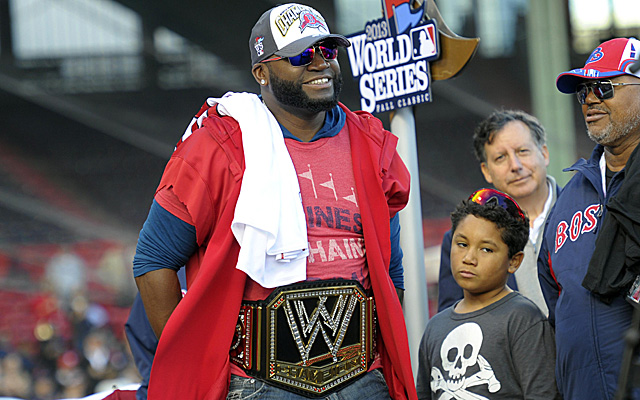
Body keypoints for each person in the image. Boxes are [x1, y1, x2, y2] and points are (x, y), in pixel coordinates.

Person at [131, 3, 416, 400]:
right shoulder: (218, 146)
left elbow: (391, 270)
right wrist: (189, 358)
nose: (320, 64)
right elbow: (152, 261)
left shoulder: (369, 143)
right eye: (301, 55)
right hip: (259, 385)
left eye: (327, 51)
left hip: (363, 380)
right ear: (261, 72)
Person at [538, 36, 640, 399]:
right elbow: (557, 301)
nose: (591, 100)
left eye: (604, 87)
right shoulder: (570, 198)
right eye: (584, 92)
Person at [417, 188, 560, 399]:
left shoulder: (524, 319)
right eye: (462, 244)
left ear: (514, 261)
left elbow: (543, 394)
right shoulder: (434, 327)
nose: (469, 258)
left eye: (486, 249)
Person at [438, 110, 560, 315]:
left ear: (544, 153)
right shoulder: (460, 241)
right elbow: (453, 320)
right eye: (501, 157)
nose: (515, 165)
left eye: (522, 151)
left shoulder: (585, 216)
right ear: (486, 170)